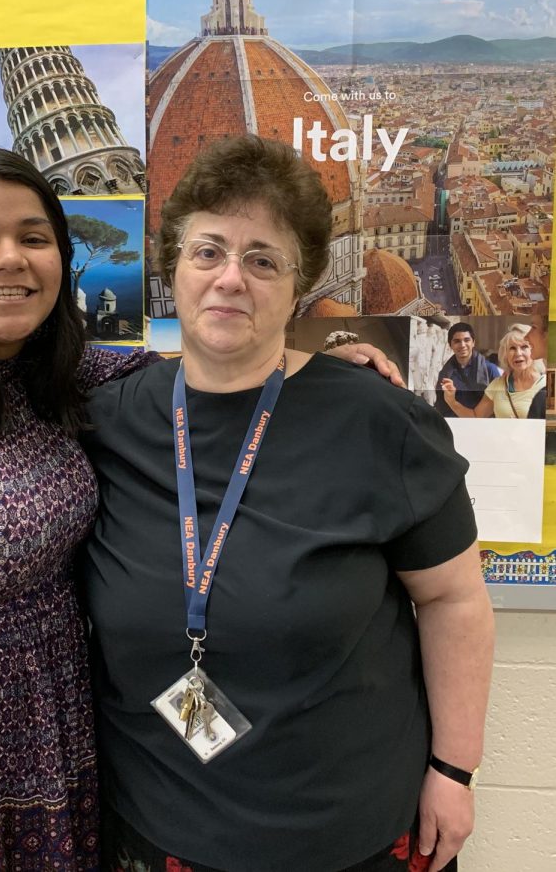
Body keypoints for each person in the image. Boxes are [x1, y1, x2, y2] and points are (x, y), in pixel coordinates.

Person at [0, 145, 398, 872]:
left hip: (50, 754)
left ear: (61, 262)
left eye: (33, 238)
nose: (10, 258)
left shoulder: (56, 376)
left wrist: (318, 368)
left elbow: (196, 367)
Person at [80, 136, 494, 872]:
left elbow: (454, 601)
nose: (229, 279)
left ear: (298, 282)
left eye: (261, 259)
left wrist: (454, 772)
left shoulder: (378, 420)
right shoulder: (106, 420)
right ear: (170, 268)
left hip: (353, 835)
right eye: (207, 252)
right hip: (158, 832)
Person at [441, 323, 547, 420]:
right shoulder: (498, 384)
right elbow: (476, 417)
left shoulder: (546, 384)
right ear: (505, 355)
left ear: (534, 350)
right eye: (512, 348)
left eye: (524, 347)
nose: (518, 353)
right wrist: (452, 401)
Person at [434, 322, 500, 417]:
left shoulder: (490, 370)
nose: (462, 345)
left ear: (473, 342)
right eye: (457, 341)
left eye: (467, 340)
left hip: (484, 425)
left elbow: (499, 404)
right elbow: (441, 405)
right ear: (450, 345)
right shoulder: (445, 374)